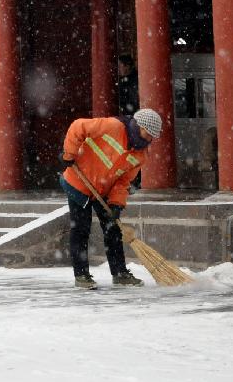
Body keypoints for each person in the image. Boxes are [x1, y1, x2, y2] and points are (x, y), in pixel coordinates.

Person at [59, 108, 162, 290]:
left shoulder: (140, 155)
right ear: (139, 126)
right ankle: (82, 275)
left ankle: (120, 273)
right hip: (79, 181)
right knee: (81, 228)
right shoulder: (112, 126)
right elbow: (78, 127)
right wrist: (70, 153)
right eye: (148, 134)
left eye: (153, 137)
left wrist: (116, 204)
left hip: (104, 190)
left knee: (113, 230)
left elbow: (123, 181)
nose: (149, 140)